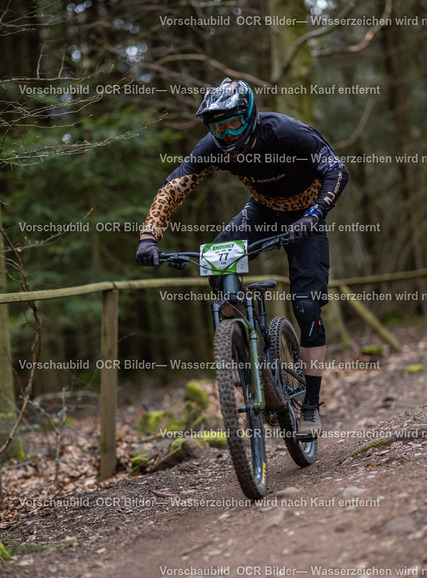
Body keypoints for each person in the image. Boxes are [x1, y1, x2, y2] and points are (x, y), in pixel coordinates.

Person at [136, 78, 349, 438]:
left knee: (306, 306)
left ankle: (311, 407)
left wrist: (314, 215)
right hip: (261, 212)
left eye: (233, 123)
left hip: (306, 217)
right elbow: (173, 187)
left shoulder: (285, 132)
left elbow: (337, 171)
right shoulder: (213, 147)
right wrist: (148, 236)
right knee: (216, 266)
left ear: (249, 115)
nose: (226, 133)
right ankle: (244, 348)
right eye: (217, 127)